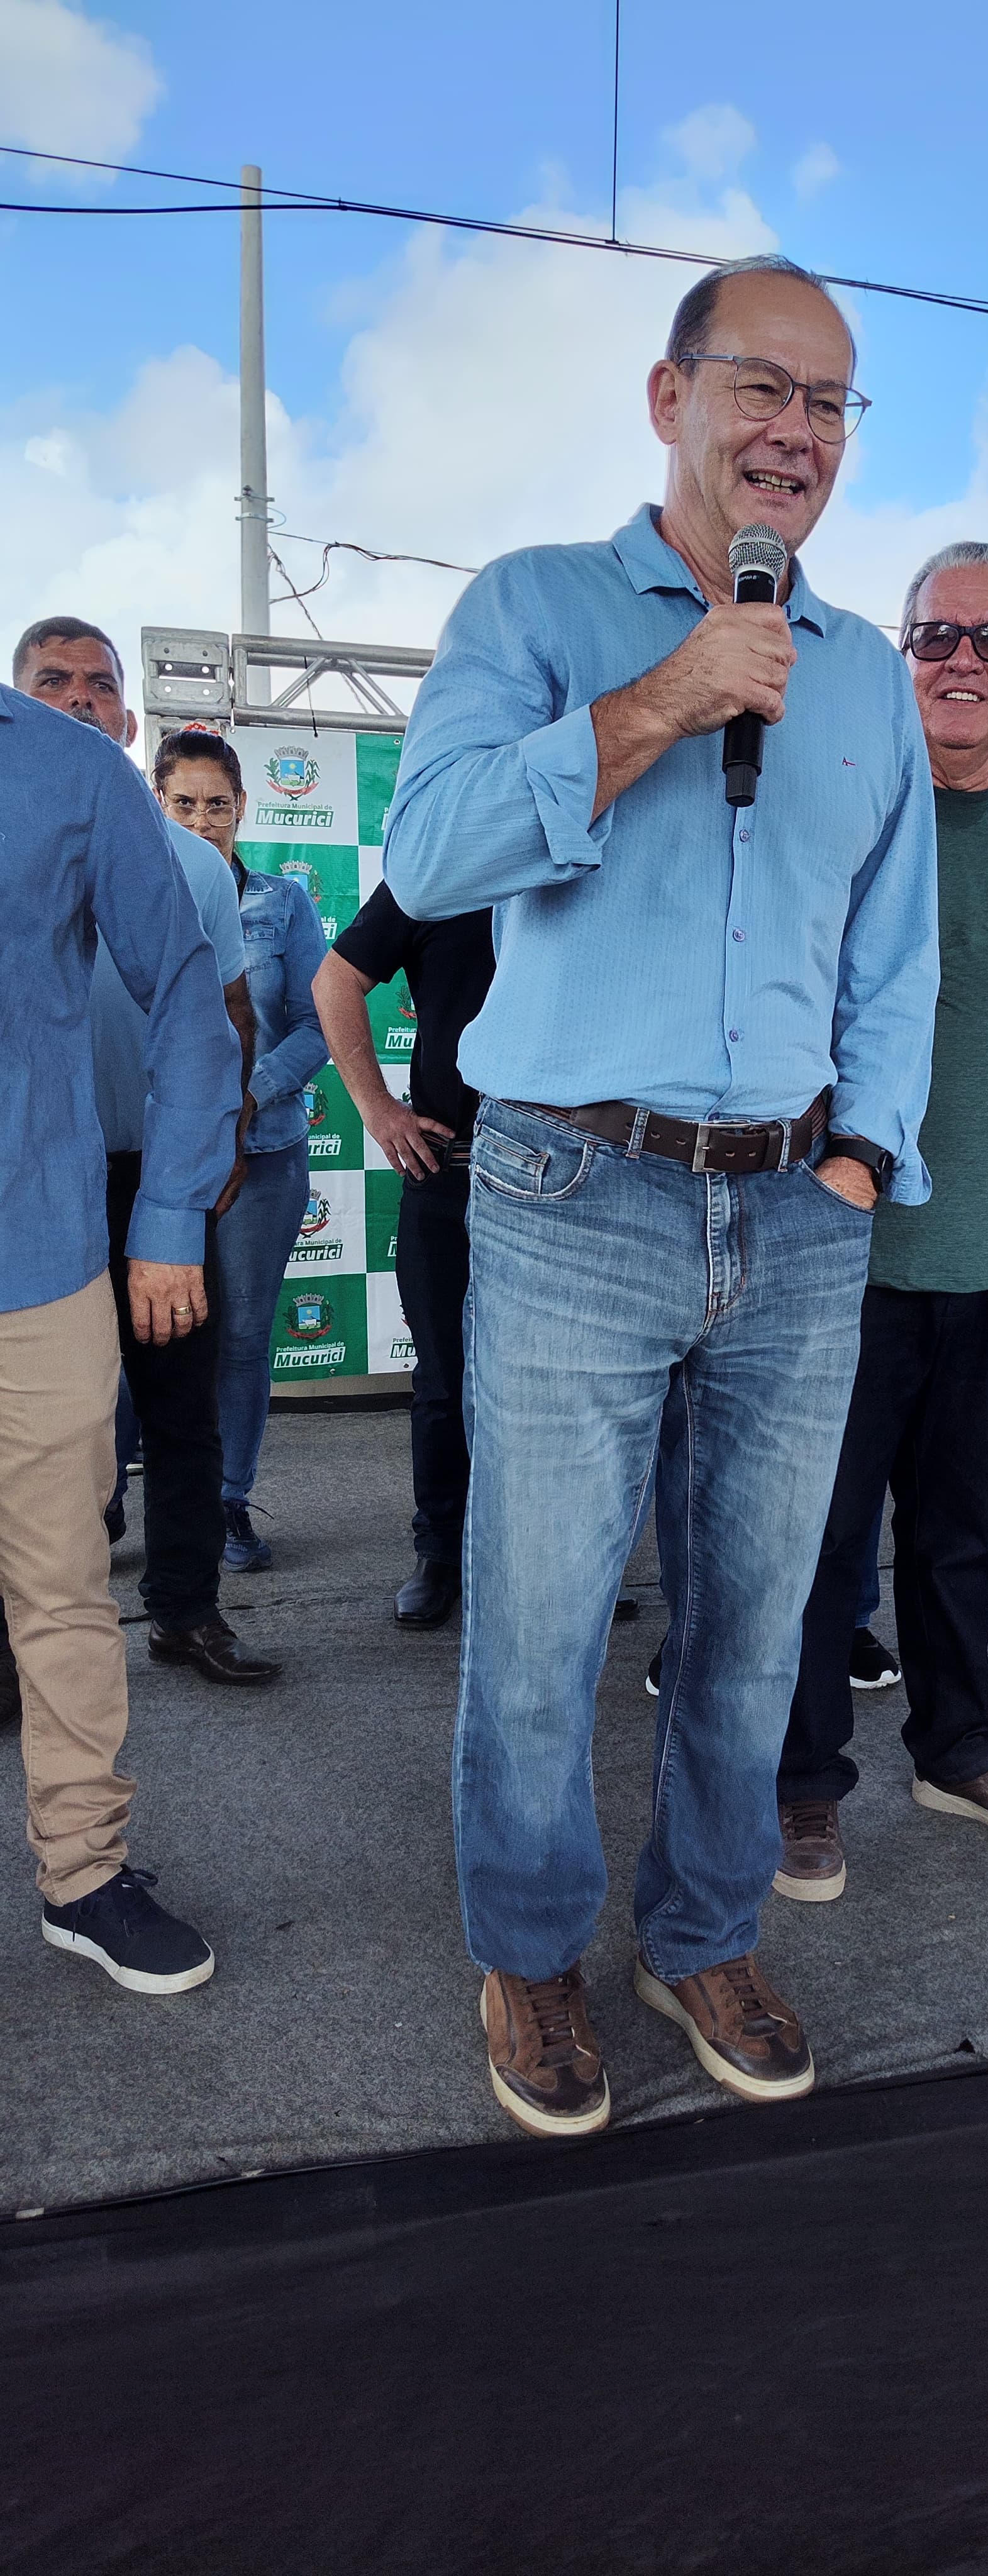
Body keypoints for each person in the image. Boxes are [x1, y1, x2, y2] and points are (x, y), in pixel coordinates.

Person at [383, 253, 938, 2138]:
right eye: (760, 386)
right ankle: (531, 1951)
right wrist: (659, 701)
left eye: (829, 403)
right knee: (540, 1633)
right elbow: (432, 855)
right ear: (669, 395)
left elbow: (894, 953)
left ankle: (702, 1932)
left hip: (796, 1212)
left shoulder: (862, 674)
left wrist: (861, 1159)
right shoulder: (534, 606)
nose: (796, 431)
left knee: (754, 1628)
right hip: (570, 1185)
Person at [773, 541, 988, 1899]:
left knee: (958, 1528)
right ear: (898, 654)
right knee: (816, 1538)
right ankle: (800, 1780)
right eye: (935, 634)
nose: (962, 658)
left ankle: (959, 1747)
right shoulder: (833, 814)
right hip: (834, 1254)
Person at [0, 669, 240, 1990]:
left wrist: (169, 1213)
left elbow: (192, 1000)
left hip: (35, 1263)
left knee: (60, 1592)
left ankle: (83, 1872)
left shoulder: (71, 768)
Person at [12, 622, 277, 1687]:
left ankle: (186, 1609)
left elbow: (225, 1014)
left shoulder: (195, 863)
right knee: (37, 1430)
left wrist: (223, 1144)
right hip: (32, 1184)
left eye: (100, 683)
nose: (80, 697)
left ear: (128, 718)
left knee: (178, 1407)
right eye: (53, 681)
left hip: (157, 1176)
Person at [155, 730, 329, 1572]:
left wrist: (245, 1097)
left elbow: (319, 1024)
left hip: (263, 1156)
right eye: (184, 804)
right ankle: (110, 1497)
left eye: (217, 805)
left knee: (244, 1337)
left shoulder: (282, 904)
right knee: (145, 1333)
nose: (202, 821)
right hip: (156, 1160)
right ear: (158, 805)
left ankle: (228, 1500)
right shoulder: (131, 893)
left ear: (242, 808)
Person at [314, 888, 494, 1625]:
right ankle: (440, 1552)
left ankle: (554, 1560)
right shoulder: (440, 869)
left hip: (572, 1186)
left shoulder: (593, 858)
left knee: (563, 1392)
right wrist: (379, 1109)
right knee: (445, 1380)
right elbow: (335, 979)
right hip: (450, 1175)